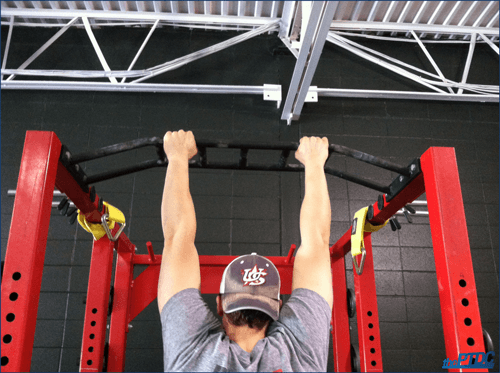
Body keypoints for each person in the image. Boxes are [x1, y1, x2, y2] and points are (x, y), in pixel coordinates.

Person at [158, 130, 333, 372]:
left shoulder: (192, 352)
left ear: (220, 305)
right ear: (278, 308)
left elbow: (177, 237)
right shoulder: (299, 354)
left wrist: (177, 156)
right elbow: (317, 244)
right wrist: (315, 163)